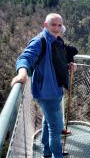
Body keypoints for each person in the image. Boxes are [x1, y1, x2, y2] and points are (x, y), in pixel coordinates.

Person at [11, 13, 72, 158]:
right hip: (47, 93)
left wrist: (69, 65)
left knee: (48, 123)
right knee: (56, 129)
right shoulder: (40, 41)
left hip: (54, 90)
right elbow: (25, 57)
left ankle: (46, 152)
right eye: (53, 24)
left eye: (59, 25)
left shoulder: (55, 40)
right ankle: (57, 155)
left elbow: (56, 61)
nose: (57, 28)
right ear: (45, 25)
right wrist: (22, 74)